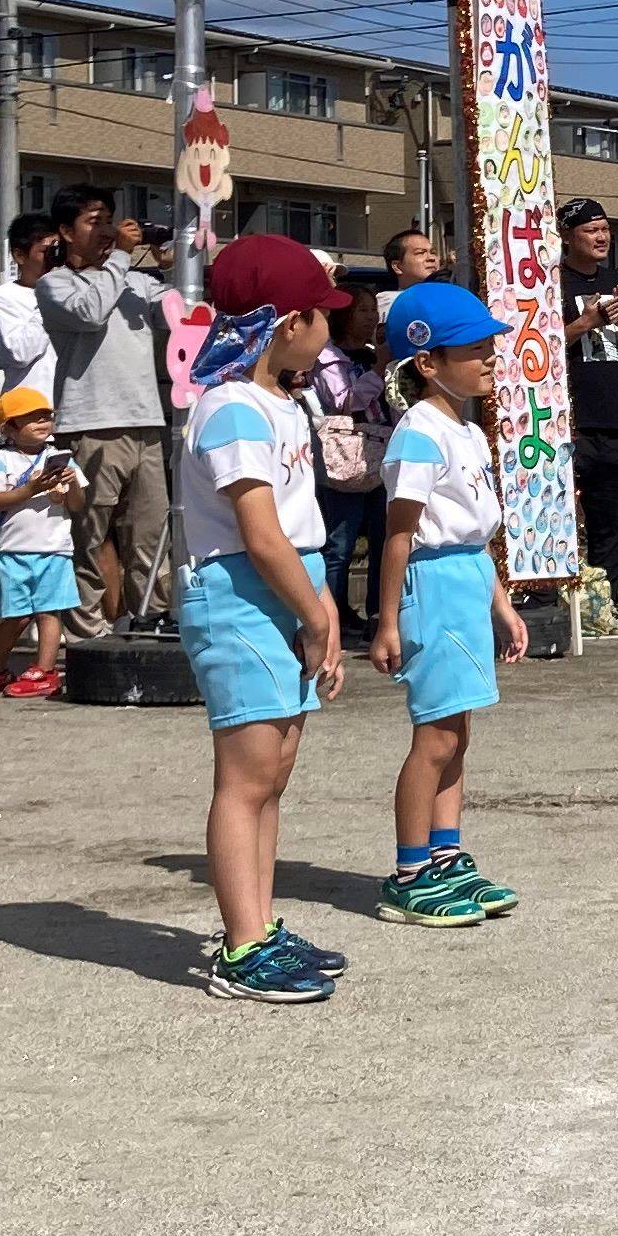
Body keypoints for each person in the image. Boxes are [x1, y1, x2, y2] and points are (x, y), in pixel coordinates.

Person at [168, 235, 361, 998]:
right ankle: (243, 947)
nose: (331, 328)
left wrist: (321, 615)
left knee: (273, 773)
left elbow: (292, 532)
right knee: (246, 778)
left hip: (288, 588)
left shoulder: (277, 400)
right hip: (242, 593)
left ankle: (260, 923)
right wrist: (316, 618)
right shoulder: (231, 409)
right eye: (322, 315)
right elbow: (259, 531)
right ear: (287, 324)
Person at [368, 273, 529, 937]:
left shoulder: (464, 427)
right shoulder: (419, 432)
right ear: (428, 362)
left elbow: (474, 531)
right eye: (474, 350)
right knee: (433, 736)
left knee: (458, 733)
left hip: (465, 579)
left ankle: (446, 853)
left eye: (490, 347)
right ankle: (409, 873)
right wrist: (385, 621)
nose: (490, 359)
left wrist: (503, 604)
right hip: (430, 586)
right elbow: (399, 534)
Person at [37, 189, 174, 636]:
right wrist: (121, 257)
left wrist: (176, 271)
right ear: (64, 232)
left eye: (109, 220)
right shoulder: (55, 283)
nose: (107, 230)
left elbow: (182, 321)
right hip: (90, 424)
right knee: (87, 536)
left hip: (146, 420)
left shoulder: (137, 281)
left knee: (151, 535)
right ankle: (85, 632)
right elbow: (92, 312)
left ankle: (151, 620)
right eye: (93, 221)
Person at [556, 199, 618, 632]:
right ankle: (564, 608)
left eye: (605, 229)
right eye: (590, 230)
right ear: (566, 236)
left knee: (615, 519)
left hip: (616, 418)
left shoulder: (617, 282)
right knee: (566, 519)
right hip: (570, 419)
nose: (601, 237)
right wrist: (587, 321)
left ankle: (605, 608)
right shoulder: (549, 283)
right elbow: (537, 346)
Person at [0, 384, 87, 697]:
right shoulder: (1, 460)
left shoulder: (60, 458)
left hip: (55, 548)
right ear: (9, 427)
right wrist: (32, 489)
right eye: (31, 418)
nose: (42, 423)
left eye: (46, 417)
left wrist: (72, 483)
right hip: (14, 550)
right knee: (16, 615)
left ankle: (46, 669)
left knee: (50, 611)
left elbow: (77, 504)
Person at [307, 289, 394, 622]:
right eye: (362, 309)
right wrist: (380, 369)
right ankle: (332, 615)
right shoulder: (329, 358)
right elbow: (346, 401)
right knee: (339, 543)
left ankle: (376, 611)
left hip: (382, 451)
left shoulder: (373, 352)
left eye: (373, 309)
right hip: (345, 456)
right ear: (344, 315)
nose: (371, 316)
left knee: (382, 539)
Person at [0, 210, 58, 409]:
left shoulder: (75, 293)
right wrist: (51, 297)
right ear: (20, 255)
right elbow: (19, 353)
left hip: (74, 416)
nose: (55, 258)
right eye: (46, 251)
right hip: (28, 417)